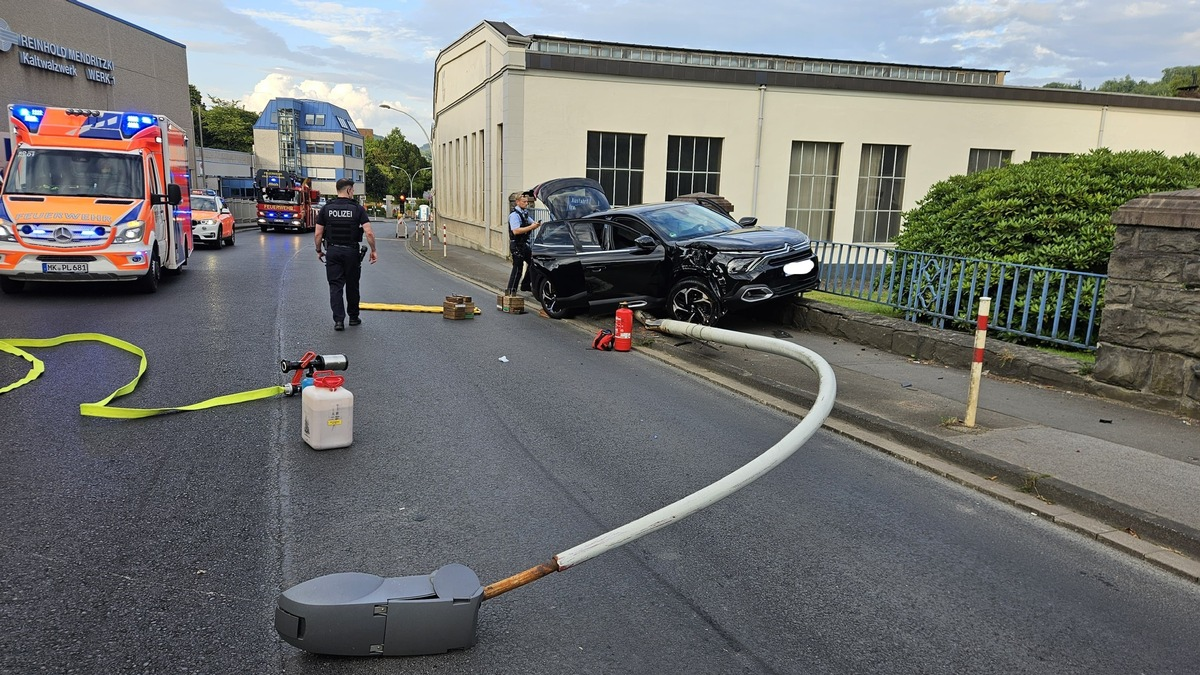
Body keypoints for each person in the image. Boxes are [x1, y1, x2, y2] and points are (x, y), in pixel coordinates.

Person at [315, 178, 377, 331]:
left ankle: (338, 321)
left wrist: (318, 250)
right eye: (353, 190)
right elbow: (368, 232)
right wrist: (373, 250)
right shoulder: (357, 209)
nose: (353, 193)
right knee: (352, 285)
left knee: (335, 286)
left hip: (333, 251)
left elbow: (318, 234)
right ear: (349, 190)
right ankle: (354, 318)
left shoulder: (326, 209)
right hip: (351, 252)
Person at [506, 191, 541, 294]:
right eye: (524, 201)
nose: (527, 203)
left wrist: (538, 224)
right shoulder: (514, 215)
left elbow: (533, 223)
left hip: (523, 245)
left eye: (527, 201)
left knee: (533, 262)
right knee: (518, 269)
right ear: (517, 202)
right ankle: (511, 291)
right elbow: (516, 231)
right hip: (516, 245)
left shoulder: (524, 214)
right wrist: (531, 227)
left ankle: (525, 285)